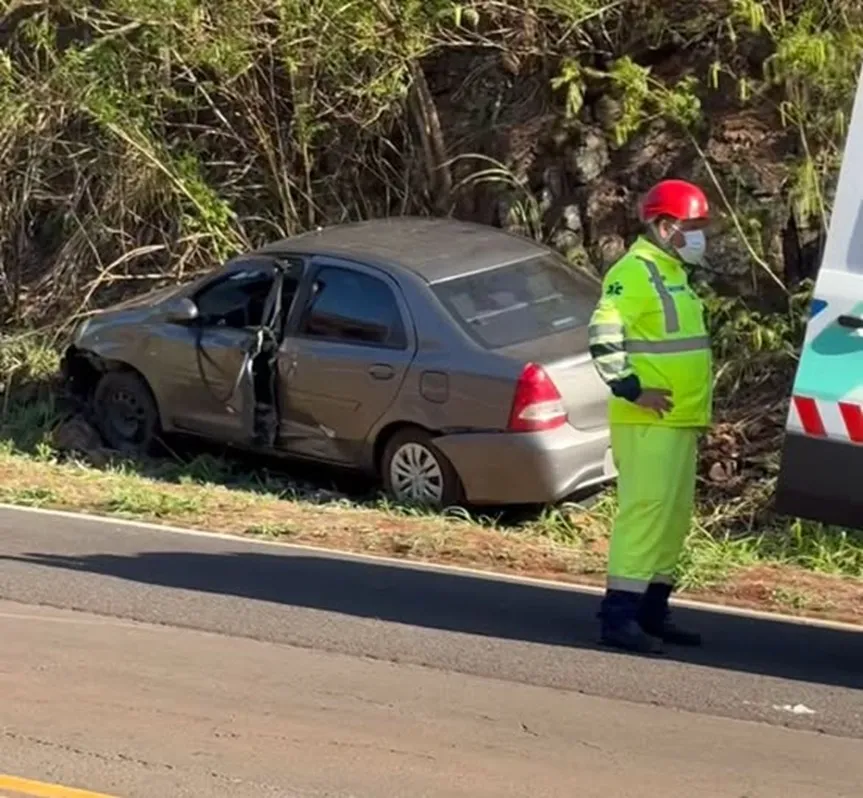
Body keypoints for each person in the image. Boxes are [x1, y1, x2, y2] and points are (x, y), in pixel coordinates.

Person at [588, 179, 713, 654]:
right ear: (664, 226)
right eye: (692, 226)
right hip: (647, 420)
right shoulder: (635, 272)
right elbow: (603, 331)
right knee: (644, 514)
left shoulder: (672, 271)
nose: (699, 236)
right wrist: (630, 387)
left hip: (678, 419)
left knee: (672, 518)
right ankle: (618, 617)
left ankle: (652, 612)